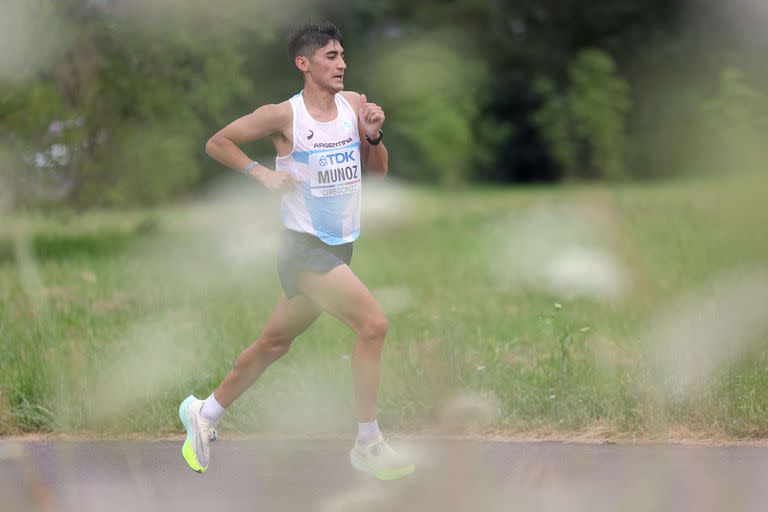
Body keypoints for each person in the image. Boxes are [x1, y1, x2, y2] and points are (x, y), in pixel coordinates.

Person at [178, 22, 415, 481]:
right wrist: (261, 173)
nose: (342, 63)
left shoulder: (354, 106)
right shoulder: (282, 116)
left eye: (343, 54)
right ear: (303, 64)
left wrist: (373, 137)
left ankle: (203, 414)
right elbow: (217, 142)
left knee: (274, 343)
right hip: (302, 250)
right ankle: (368, 442)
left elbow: (378, 176)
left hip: (338, 248)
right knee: (374, 325)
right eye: (330, 56)